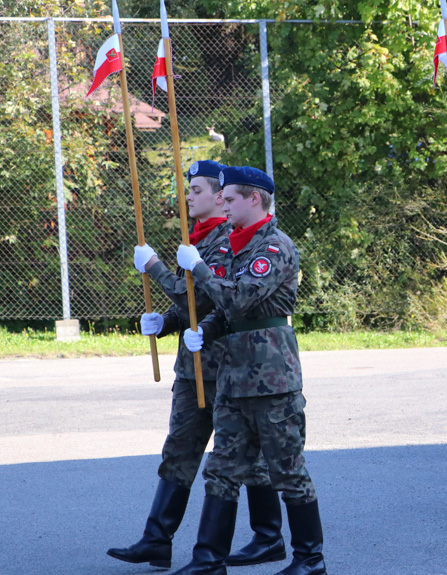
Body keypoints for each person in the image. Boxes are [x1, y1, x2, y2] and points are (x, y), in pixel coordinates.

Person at [108, 160, 286, 569]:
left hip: (225, 366)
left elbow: (208, 300)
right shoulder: (199, 237)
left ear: (222, 200)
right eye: (190, 191)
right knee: (180, 447)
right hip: (192, 367)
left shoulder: (229, 238)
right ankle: (156, 538)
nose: (188, 197)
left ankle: (268, 535)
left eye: (197, 191)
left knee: (243, 456)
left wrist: (154, 268)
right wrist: (165, 322)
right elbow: (187, 306)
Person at [171, 166, 326, 575]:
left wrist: (200, 271)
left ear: (254, 199)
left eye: (231, 198)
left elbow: (240, 301)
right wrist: (203, 330)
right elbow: (227, 313)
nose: (223, 203)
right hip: (234, 377)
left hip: (272, 379)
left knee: (287, 471)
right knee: (221, 470)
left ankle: (310, 560)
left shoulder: (273, 247)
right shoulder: (238, 247)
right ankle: (208, 560)